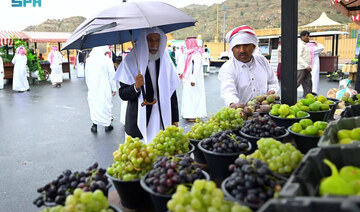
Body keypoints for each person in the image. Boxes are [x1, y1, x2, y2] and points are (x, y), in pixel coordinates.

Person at [113, 27, 180, 144]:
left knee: (160, 153)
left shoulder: (166, 61)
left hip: (161, 116)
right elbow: (123, 94)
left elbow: (172, 92)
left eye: (157, 40)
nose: (154, 44)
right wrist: (136, 86)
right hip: (138, 119)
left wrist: (174, 118)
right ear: (143, 41)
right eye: (150, 40)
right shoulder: (131, 61)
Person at [218, 25, 279, 106]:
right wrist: (233, 104)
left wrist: (272, 91)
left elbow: (273, 82)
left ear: (254, 46)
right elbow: (228, 92)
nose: (242, 50)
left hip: (264, 112)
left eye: (246, 45)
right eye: (237, 46)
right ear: (232, 49)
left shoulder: (262, 61)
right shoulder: (227, 68)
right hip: (242, 114)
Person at [85, 46, 117, 133]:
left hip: (93, 87)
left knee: (94, 105)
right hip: (104, 87)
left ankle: (94, 125)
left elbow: (86, 75)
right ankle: (107, 125)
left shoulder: (89, 60)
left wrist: (89, 86)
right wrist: (114, 88)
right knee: (105, 105)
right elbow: (112, 75)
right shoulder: (106, 60)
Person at [181, 37, 207, 122]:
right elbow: (188, 67)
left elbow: (196, 68)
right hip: (189, 79)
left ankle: (193, 115)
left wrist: (193, 80)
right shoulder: (191, 54)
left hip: (193, 81)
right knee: (189, 97)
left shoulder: (196, 54)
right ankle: (188, 114)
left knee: (193, 97)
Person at [297, 31, 312, 97]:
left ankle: (308, 97)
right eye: (307, 36)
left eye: (309, 36)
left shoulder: (304, 45)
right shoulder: (300, 45)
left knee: (308, 83)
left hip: (306, 68)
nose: (308, 38)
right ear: (302, 37)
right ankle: (289, 96)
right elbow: (298, 57)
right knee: (297, 83)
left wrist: (307, 66)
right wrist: (306, 66)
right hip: (301, 68)